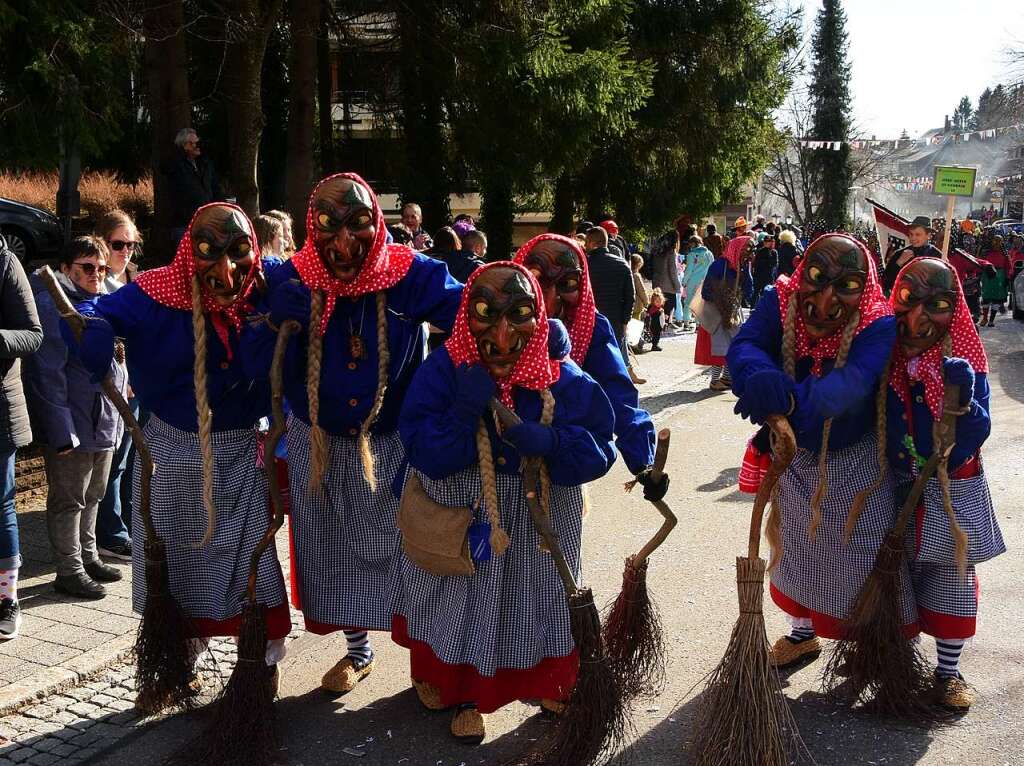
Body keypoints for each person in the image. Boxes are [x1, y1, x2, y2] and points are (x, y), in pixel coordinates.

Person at [250, 173, 463, 696]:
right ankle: (358, 651)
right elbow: (221, 280)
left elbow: (473, 311)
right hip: (315, 441)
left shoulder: (410, 273)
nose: (344, 244)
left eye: (358, 226)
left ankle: (426, 664)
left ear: (378, 223)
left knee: (412, 549)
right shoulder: (292, 276)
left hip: (391, 442)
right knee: (334, 548)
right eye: (330, 227)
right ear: (310, 227)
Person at [72, 204, 290, 709]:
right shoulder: (153, 295)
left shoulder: (264, 281)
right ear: (189, 254)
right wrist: (91, 324)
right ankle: (172, 664)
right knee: (175, 566)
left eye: (239, 254)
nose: (227, 272)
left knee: (250, 571)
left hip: (240, 451)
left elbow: (314, 270)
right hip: (168, 455)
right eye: (210, 255)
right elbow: (94, 308)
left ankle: (258, 669)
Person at [391, 261, 617, 743]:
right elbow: (420, 448)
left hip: (540, 523)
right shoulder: (445, 370)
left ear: (538, 316)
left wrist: (554, 443)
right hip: (465, 518)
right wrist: (464, 409)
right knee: (462, 603)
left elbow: (602, 446)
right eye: (485, 314)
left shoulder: (563, 377)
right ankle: (463, 691)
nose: (502, 331)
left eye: (518, 314)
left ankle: (547, 681)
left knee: (539, 603)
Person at [727, 233, 900, 667]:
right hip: (797, 458)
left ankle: (870, 642)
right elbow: (747, 343)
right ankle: (802, 633)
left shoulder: (878, 323)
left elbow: (853, 382)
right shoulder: (778, 299)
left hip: (858, 458)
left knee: (858, 550)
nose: (825, 300)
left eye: (845, 286)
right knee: (795, 548)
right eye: (818, 279)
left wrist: (791, 401)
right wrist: (758, 373)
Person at [885, 257, 1004, 711]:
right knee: (893, 579)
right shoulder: (885, 355)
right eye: (908, 301)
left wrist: (964, 400)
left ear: (953, 310)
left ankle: (948, 672)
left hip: (950, 489)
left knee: (951, 579)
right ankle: (894, 660)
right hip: (895, 485)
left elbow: (978, 432)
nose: (918, 318)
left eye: (935, 305)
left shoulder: (966, 361)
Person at [514, 234, 661, 494]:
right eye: (538, 279)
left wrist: (642, 462)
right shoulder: (498, 323)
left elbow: (618, 394)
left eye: (567, 283)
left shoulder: (590, 327)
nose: (550, 296)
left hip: (561, 465)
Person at [23, 237, 127, 599]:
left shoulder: (100, 303)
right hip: (76, 422)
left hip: (104, 418)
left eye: (100, 267)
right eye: (87, 267)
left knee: (95, 492)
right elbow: (47, 374)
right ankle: (69, 569)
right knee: (69, 498)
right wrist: (61, 431)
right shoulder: (53, 308)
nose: (96, 274)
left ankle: (88, 555)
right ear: (66, 269)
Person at [0, 235, 43, 639]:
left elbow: (32, 333)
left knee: (1, 505)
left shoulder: (5, 262)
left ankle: (7, 599)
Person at [94, 210, 143, 562]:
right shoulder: (98, 285)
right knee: (113, 462)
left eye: (131, 244)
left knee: (130, 458)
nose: (125, 251)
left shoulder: (131, 280)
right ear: (102, 243)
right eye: (118, 244)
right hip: (114, 386)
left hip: (137, 383)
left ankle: (127, 524)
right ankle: (110, 534)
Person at [694, 219, 752, 391]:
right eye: (744, 250)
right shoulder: (718, 265)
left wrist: (746, 271)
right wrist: (722, 301)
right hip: (717, 312)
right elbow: (706, 291)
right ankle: (714, 380)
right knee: (721, 346)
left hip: (732, 310)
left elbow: (748, 289)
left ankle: (727, 379)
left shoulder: (740, 266)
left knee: (735, 344)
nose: (747, 254)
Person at [584, 226, 635, 361]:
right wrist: (625, 321)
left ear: (591, 242)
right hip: (615, 321)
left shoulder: (585, 265)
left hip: (590, 321)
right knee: (613, 360)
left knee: (592, 361)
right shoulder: (622, 264)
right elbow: (630, 296)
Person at [164, 128, 221, 246]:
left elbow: (215, 188)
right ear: (183, 145)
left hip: (206, 222)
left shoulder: (205, 164)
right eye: (192, 143)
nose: (196, 146)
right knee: (186, 260)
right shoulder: (176, 165)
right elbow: (166, 167)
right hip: (184, 224)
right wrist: (182, 153)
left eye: (197, 142)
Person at [881, 216, 943, 294]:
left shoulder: (938, 256)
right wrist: (898, 263)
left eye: (917, 235)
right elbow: (885, 283)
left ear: (929, 236)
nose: (913, 238)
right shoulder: (899, 254)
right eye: (911, 234)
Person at [680, 235, 713, 330]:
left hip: (692, 281)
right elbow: (712, 267)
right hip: (705, 281)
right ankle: (699, 324)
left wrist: (684, 281)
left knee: (689, 301)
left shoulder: (691, 255)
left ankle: (686, 322)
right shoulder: (709, 253)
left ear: (693, 244)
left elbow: (689, 270)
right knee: (700, 303)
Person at [650, 231, 682, 329]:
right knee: (669, 306)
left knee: (658, 306)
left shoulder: (657, 250)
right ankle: (665, 325)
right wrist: (677, 286)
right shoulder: (670, 252)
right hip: (668, 284)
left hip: (657, 281)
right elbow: (672, 271)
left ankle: (657, 325)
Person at [979, 235, 1009, 327]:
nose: (996, 243)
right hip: (987, 276)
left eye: (999, 241)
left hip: (999, 277)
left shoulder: (1004, 254)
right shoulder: (986, 253)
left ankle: (991, 320)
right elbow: (980, 263)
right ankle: (984, 318)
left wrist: (1007, 277)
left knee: (996, 299)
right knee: (986, 298)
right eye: (995, 240)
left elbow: (1008, 266)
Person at [751, 233, 778, 303]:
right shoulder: (760, 251)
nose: (766, 243)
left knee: (767, 293)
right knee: (756, 292)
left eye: (768, 242)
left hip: (768, 276)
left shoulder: (774, 252)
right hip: (759, 275)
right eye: (765, 241)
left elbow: (774, 264)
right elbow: (756, 263)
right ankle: (753, 306)